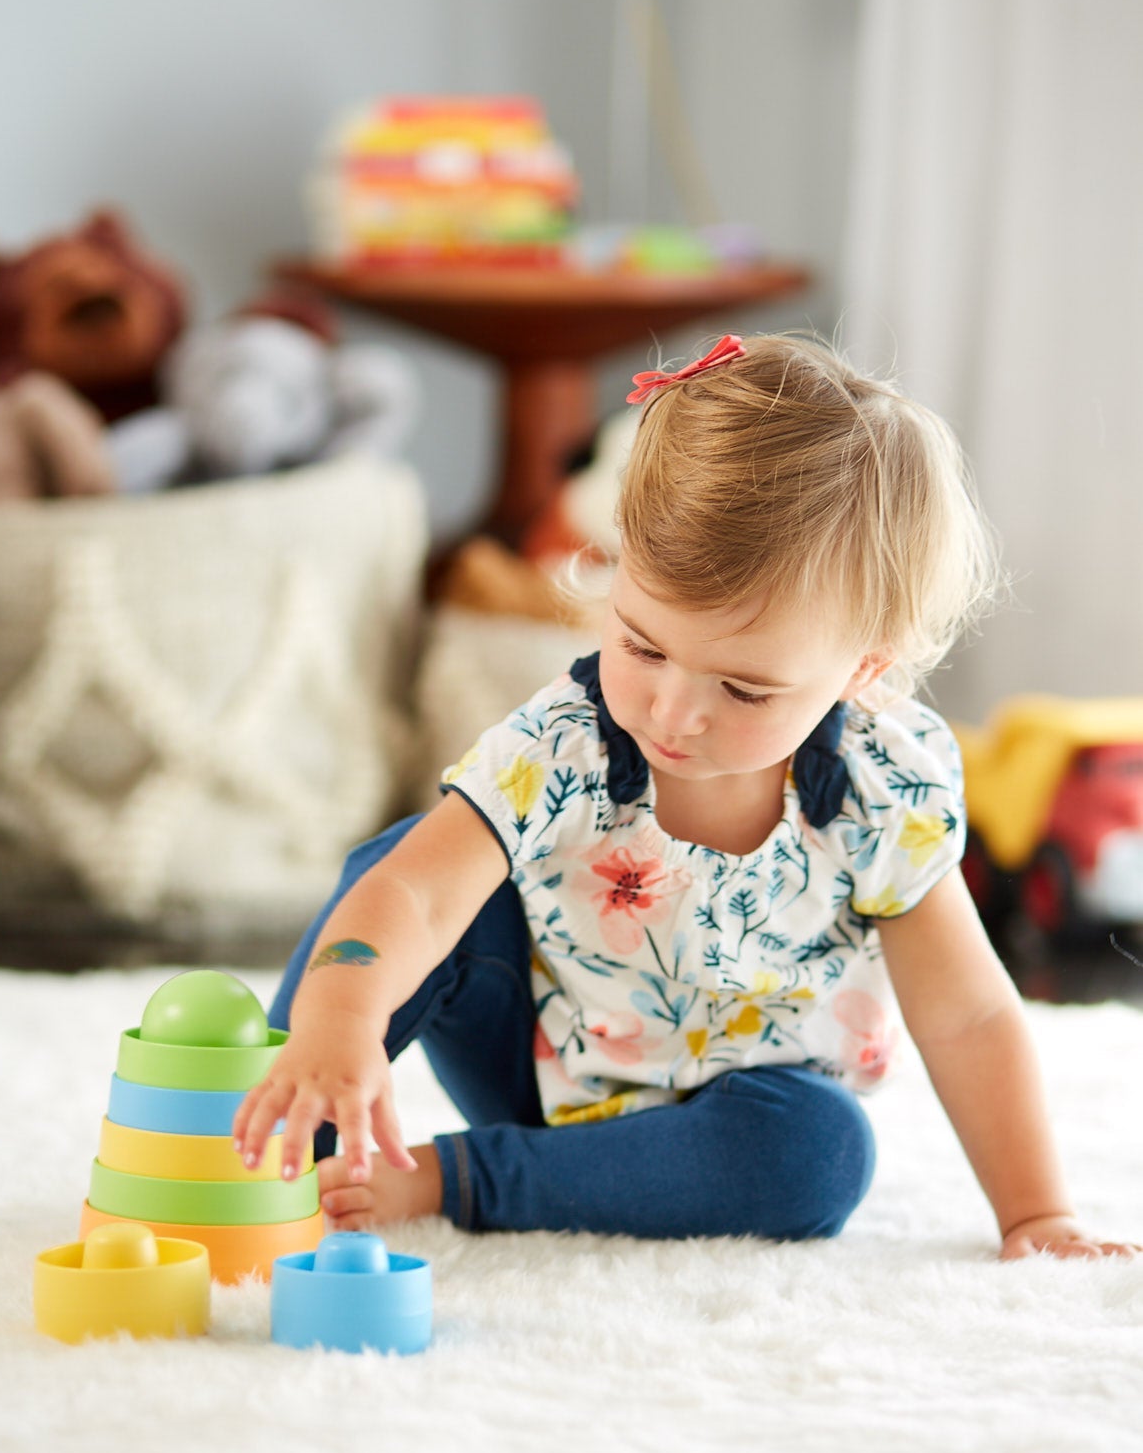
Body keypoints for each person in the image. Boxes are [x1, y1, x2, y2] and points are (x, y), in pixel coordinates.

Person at [233, 331, 1138, 1262]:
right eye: (641, 645)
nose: (672, 711)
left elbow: (970, 1014)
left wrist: (1036, 1214)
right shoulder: (565, 744)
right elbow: (415, 900)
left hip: (730, 1126)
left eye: (743, 690)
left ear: (860, 669)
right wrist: (340, 1021)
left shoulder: (879, 789)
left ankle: (459, 1179)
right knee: (397, 865)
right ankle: (278, 1143)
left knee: (820, 1153)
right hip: (540, 1066)